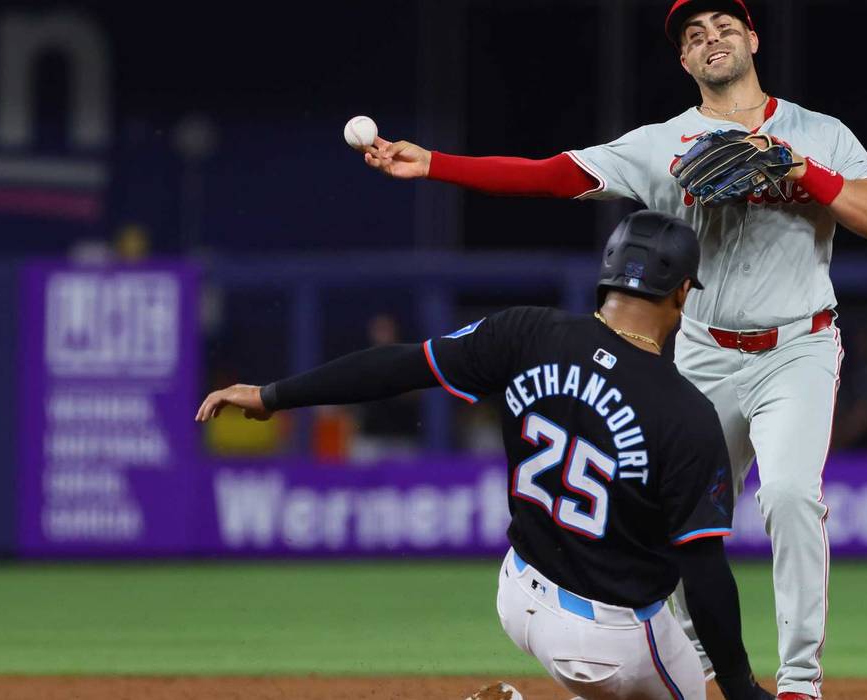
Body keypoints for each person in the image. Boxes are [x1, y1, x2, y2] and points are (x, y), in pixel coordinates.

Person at [359, 2, 867, 696]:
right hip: (704, 347)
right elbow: (551, 175)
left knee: (791, 496)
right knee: (670, 516)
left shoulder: (819, 133)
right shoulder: (661, 144)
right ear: (683, 59)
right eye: (694, 35)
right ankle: (693, 664)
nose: (711, 39)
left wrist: (801, 170)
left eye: (724, 26)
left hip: (796, 346)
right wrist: (436, 163)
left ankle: (799, 682)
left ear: (752, 38)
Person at [197, 211, 773, 700]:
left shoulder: (525, 332)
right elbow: (704, 576)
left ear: (608, 273)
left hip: (517, 592)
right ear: (682, 292)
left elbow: (398, 366)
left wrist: (273, 395)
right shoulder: (684, 411)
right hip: (608, 640)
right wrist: (741, 687)